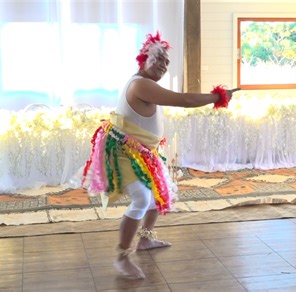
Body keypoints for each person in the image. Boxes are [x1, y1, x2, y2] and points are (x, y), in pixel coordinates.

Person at [81, 31, 240, 279]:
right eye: (159, 59)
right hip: (124, 152)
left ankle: (144, 240)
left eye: (167, 62)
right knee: (143, 199)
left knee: (158, 193)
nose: (164, 65)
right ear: (143, 59)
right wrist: (217, 96)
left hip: (143, 151)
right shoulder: (141, 84)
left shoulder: (147, 83)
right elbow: (184, 99)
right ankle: (122, 255)